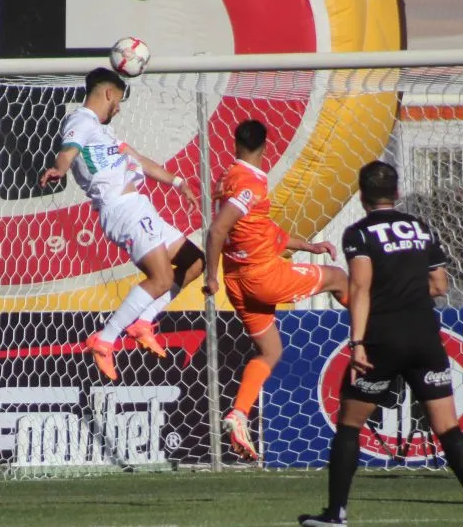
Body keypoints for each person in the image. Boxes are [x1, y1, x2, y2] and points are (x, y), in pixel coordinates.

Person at [299, 161, 463, 527]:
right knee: (449, 428)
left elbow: (359, 287)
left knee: (350, 424)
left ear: (361, 196)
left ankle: (336, 514)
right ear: (397, 192)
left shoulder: (359, 232)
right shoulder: (420, 228)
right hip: (425, 337)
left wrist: (357, 342)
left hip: (382, 341)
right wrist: (406, 289)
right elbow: (439, 284)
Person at [40, 67, 204, 381]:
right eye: (119, 102)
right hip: (121, 210)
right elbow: (68, 152)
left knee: (195, 262)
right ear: (109, 94)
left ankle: (143, 322)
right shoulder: (80, 121)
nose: (119, 108)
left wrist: (178, 182)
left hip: (140, 208)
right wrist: (59, 169)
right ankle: (105, 339)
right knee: (161, 277)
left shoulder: (107, 134)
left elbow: (140, 160)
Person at [204, 120, 349, 461]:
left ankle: (238, 415)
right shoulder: (249, 183)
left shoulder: (226, 177)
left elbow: (258, 227)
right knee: (338, 277)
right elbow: (217, 230)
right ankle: (372, 336)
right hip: (262, 277)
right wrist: (209, 276)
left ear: (234, 142)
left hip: (239, 282)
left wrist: (306, 246)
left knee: (270, 351)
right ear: (266, 148)